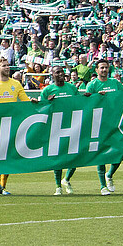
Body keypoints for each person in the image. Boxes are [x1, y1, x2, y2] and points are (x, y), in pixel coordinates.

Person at [0, 56, 36, 195]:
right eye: (4, 66)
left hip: (12, 124)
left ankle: (2, 186)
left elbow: (25, 101)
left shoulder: (16, 84)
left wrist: (33, 102)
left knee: (7, 155)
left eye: (8, 65)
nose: (7, 67)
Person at [86, 59, 123, 194]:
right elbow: (86, 103)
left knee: (121, 152)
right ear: (96, 70)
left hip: (115, 122)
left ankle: (109, 174)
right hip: (99, 123)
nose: (104, 70)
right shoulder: (92, 85)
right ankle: (102, 186)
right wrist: (97, 97)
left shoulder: (114, 83)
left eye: (106, 67)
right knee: (101, 154)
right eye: (101, 68)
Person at [39, 66, 82, 195]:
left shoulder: (72, 88)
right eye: (57, 72)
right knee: (57, 157)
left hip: (72, 125)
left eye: (62, 72)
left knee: (75, 156)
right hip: (56, 126)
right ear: (52, 75)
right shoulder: (47, 90)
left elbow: (79, 104)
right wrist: (47, 102)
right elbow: (41, 109)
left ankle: (66, 179)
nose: (61, 74)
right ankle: (58, 186)